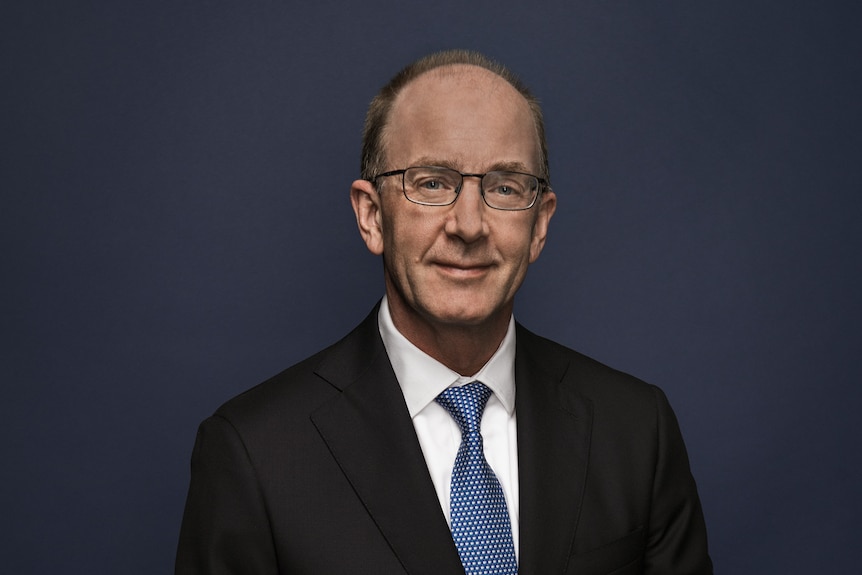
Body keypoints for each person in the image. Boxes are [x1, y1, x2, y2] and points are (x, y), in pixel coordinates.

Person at [176, 49, 712, 575]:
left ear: (540, 226)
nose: (469, 224)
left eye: (505, 186)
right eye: (432, 183)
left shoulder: (637, 432)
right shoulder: (256, 454)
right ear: (371, 217)